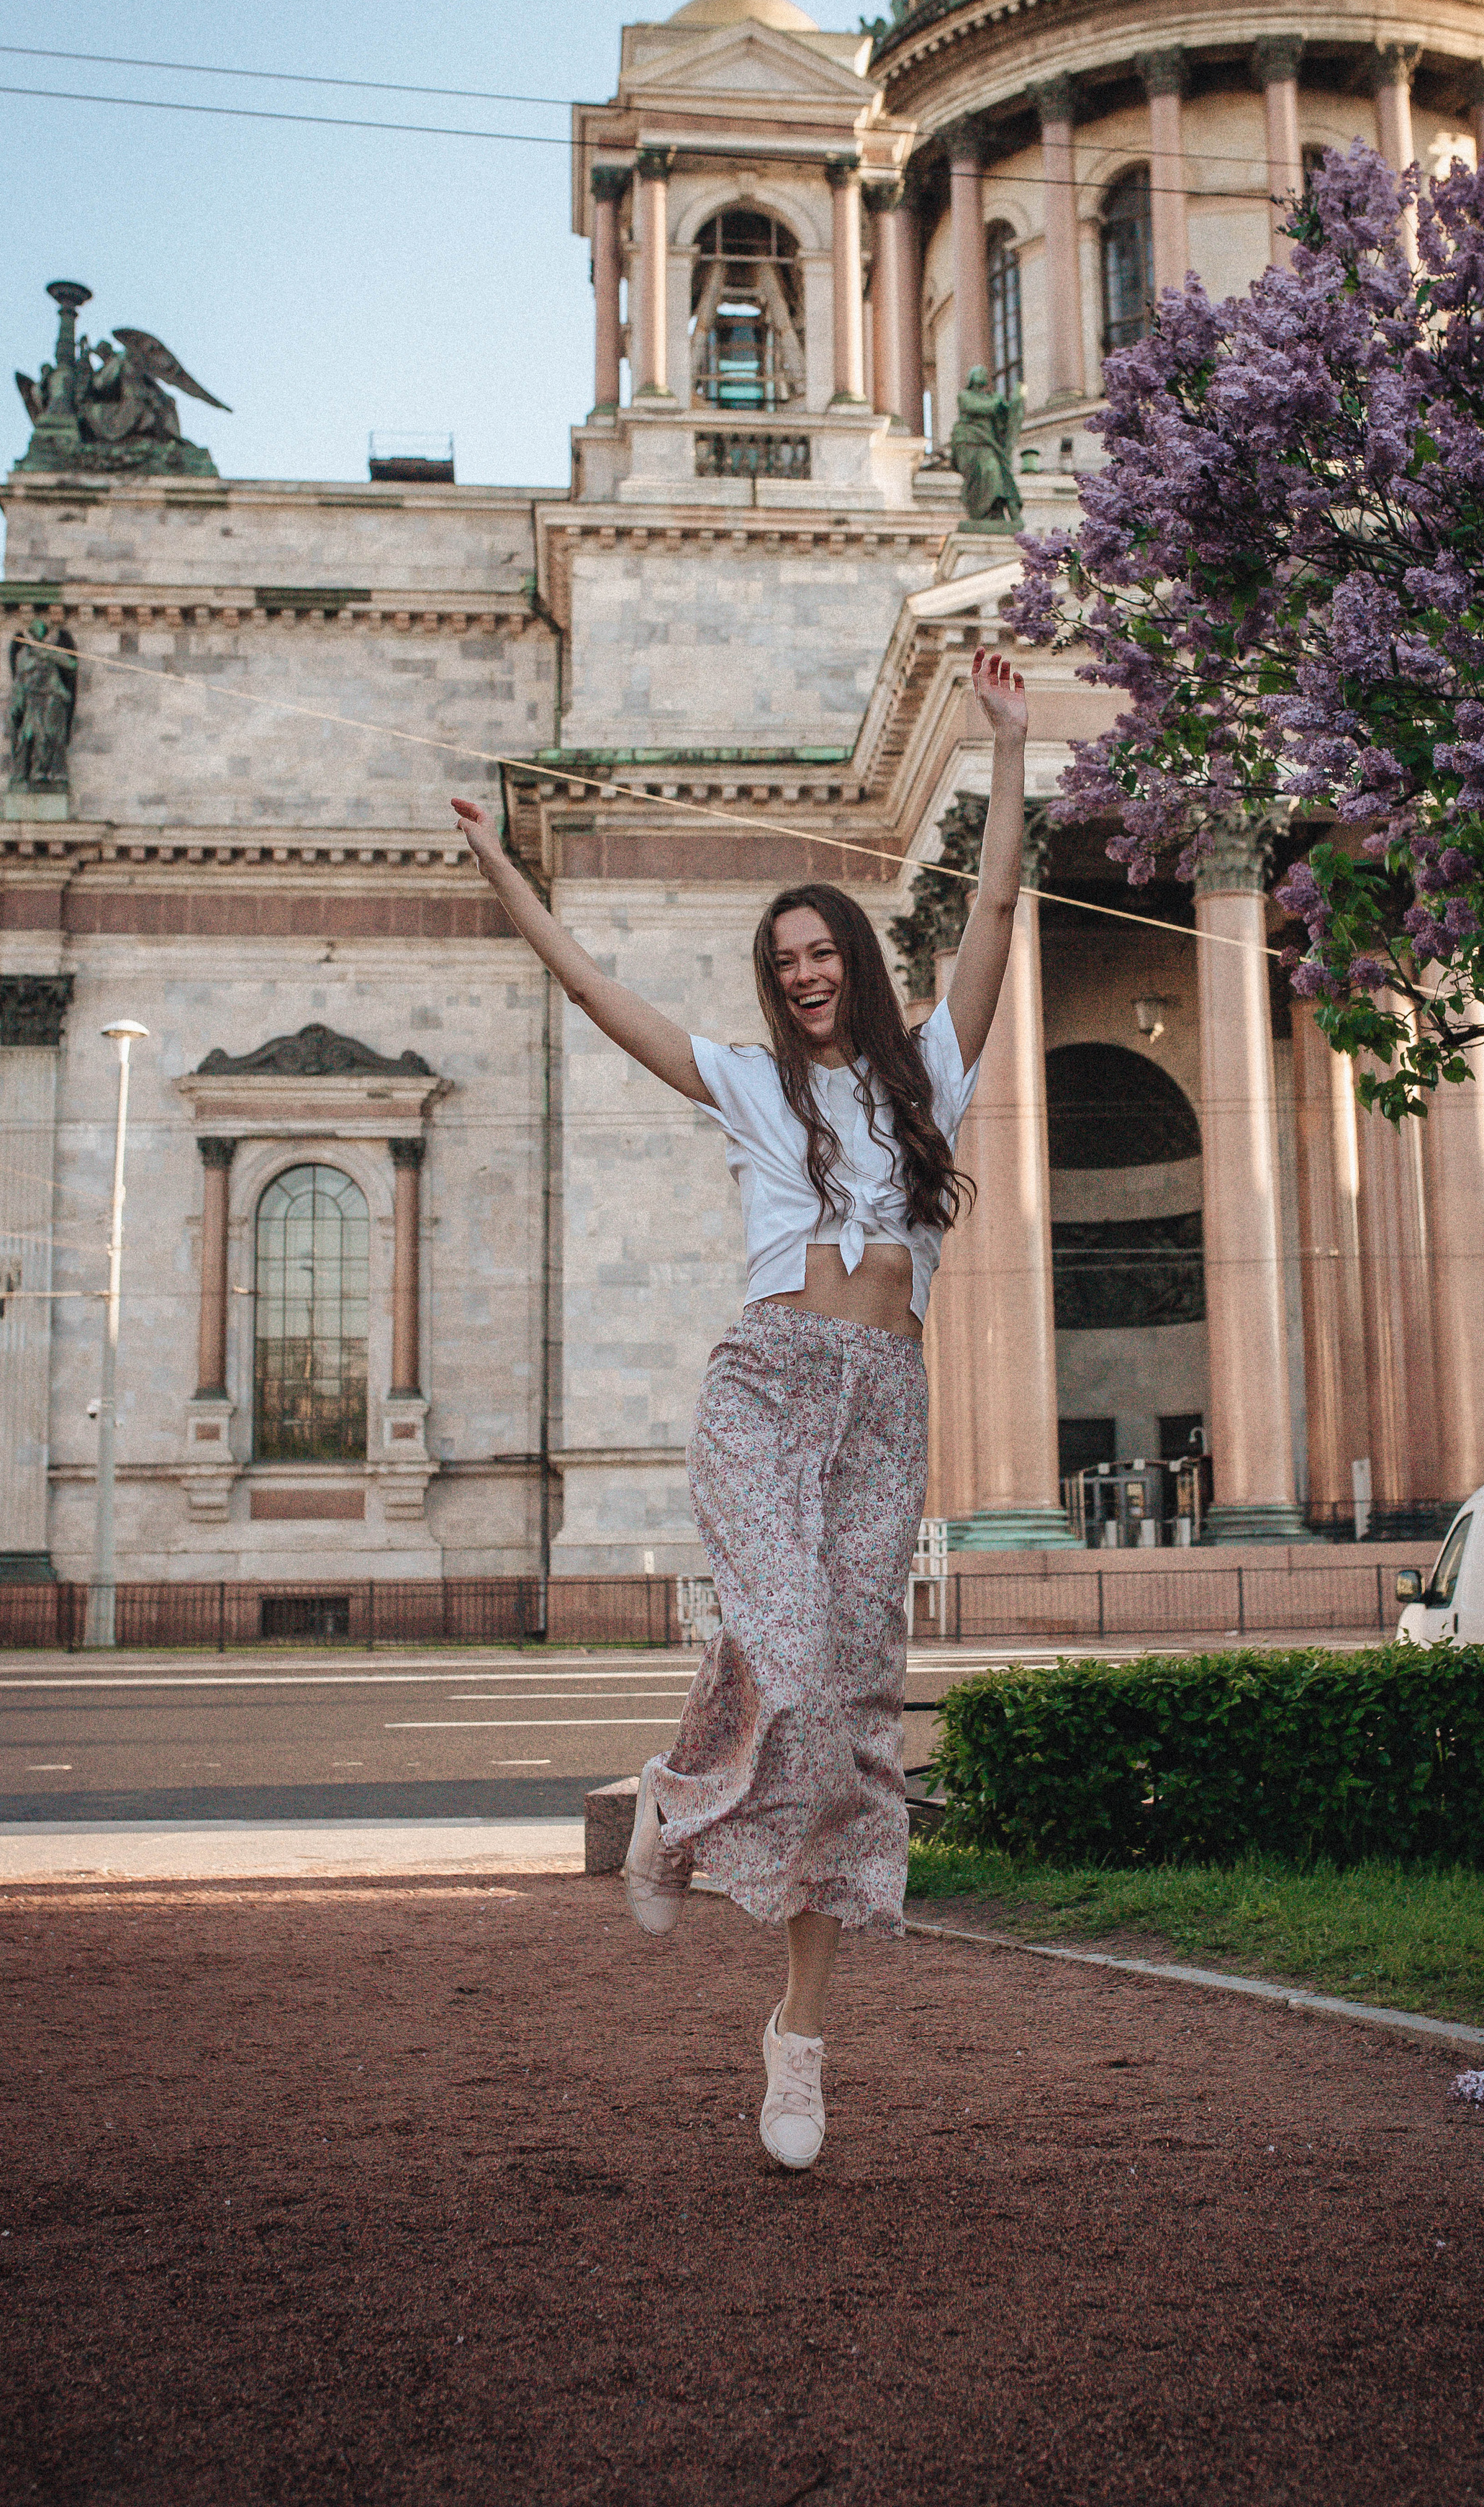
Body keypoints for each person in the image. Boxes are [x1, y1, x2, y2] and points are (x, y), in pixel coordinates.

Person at [451, 649, 1028, 2171]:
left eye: (820, 950)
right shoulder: (746, 1083)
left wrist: (1006, 746)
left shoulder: (932, 1074)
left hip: (882, 1398)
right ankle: (677, 1797)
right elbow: (596, 993)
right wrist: (505, 871)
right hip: (768, 1386)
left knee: (844, 1714)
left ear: (855, 957)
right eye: (781, 961)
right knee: (783, 1645)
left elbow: (992, 914)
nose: (802, 973)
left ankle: (799, 2040)